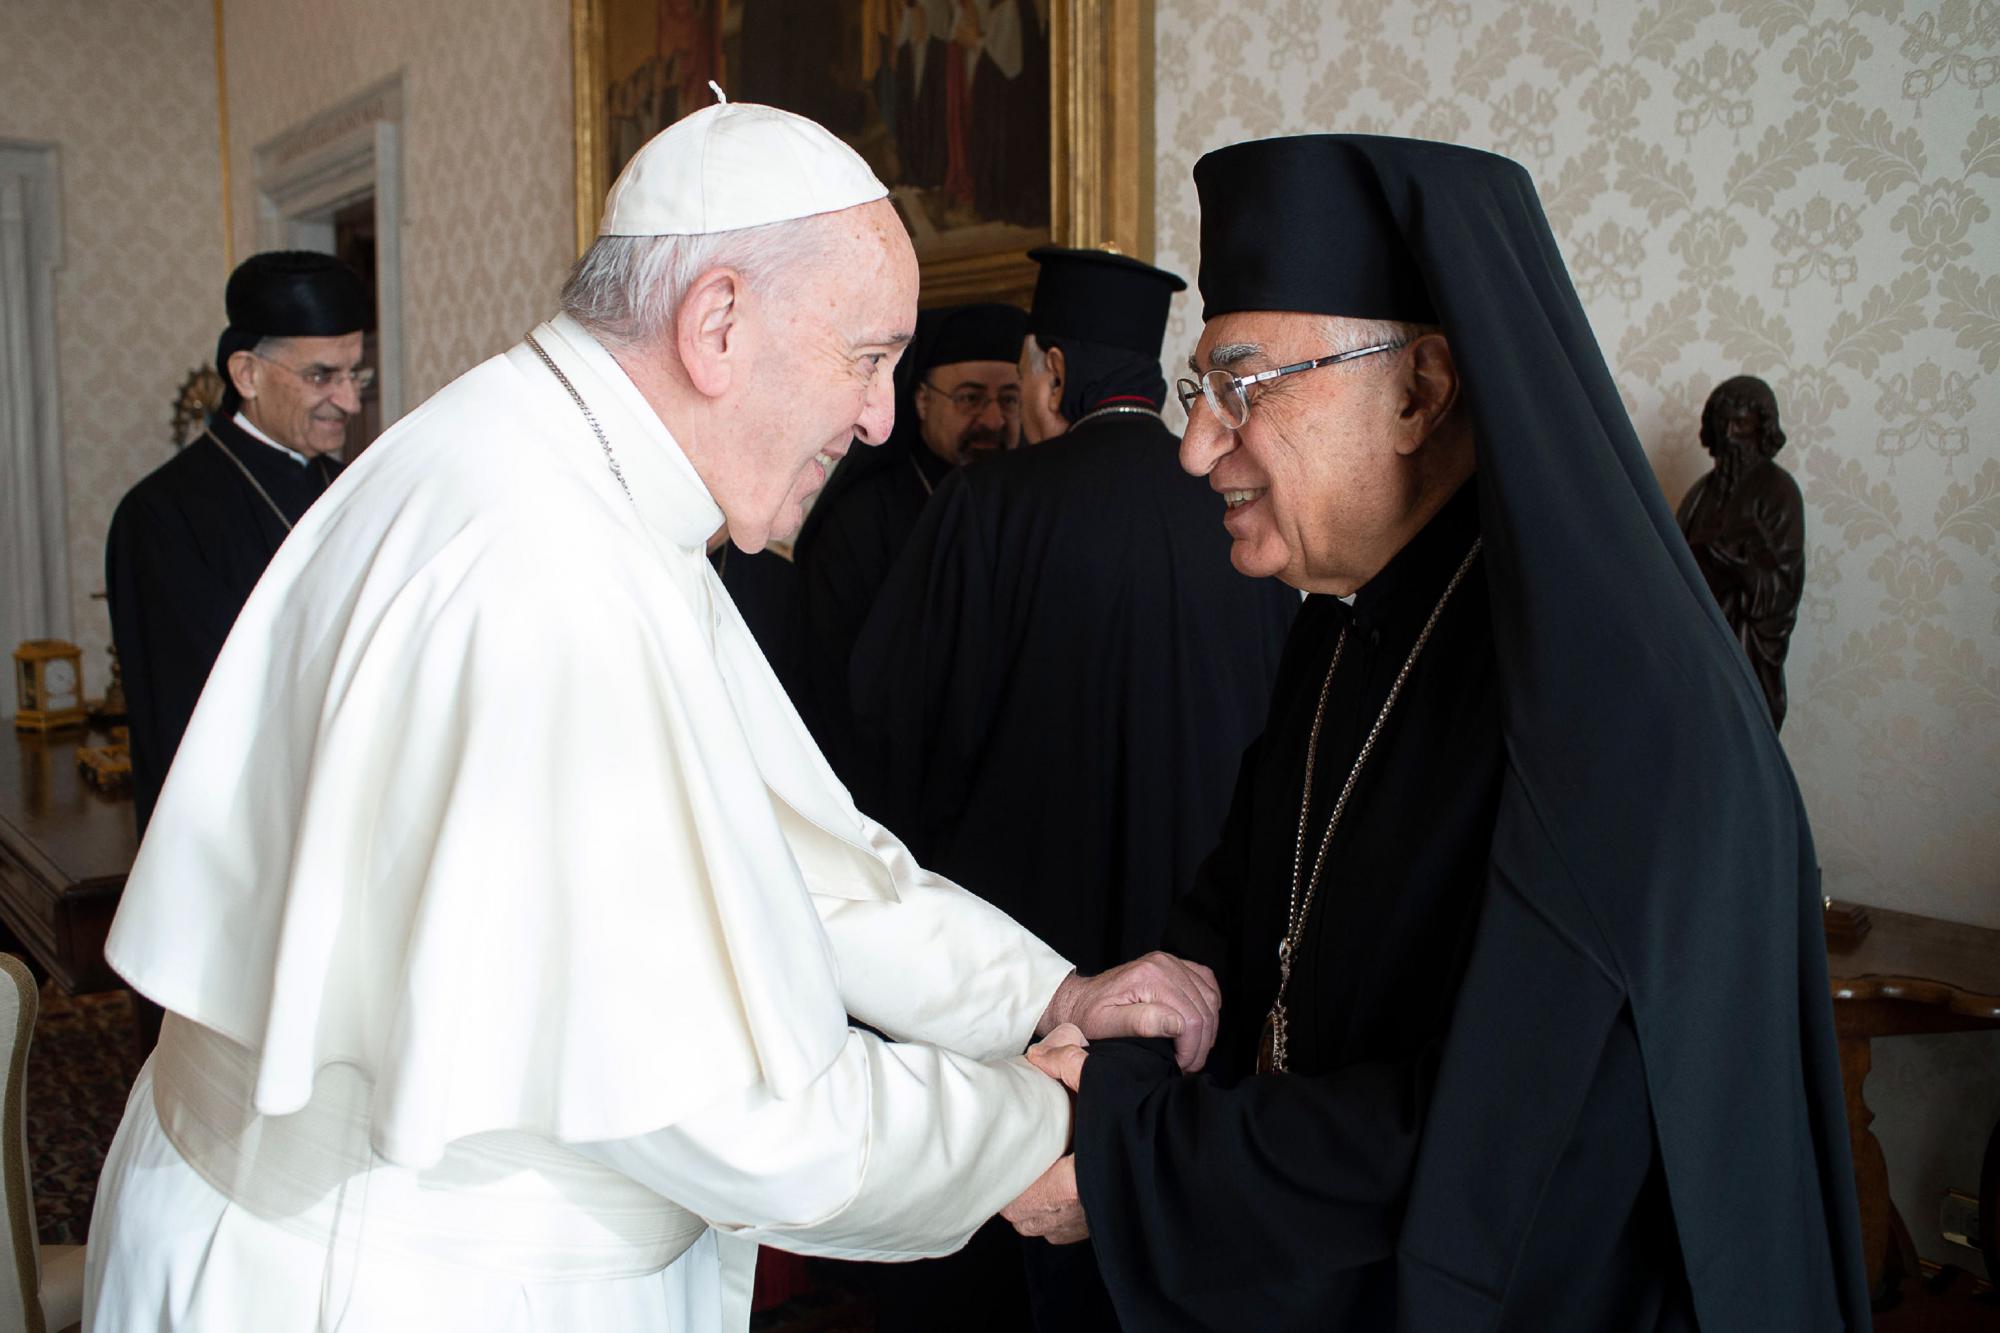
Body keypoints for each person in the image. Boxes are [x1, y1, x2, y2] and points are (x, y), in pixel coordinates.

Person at [85, 100, 1221, 1333]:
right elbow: (737, 1109)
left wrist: (1042, 1000)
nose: (881, 418)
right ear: (717, 322)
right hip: (387, 1277)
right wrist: (1039, 1122)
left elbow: (783, 845)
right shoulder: (548, 563)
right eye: (866, 358)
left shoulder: (569, 474)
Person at [1013, 135, 1867, 1331]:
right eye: (1195, 389)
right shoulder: (1345, 611)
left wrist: (1125, 1149)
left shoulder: (1611, 705)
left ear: (1417, 389)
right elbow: (1232, 913)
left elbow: (1501, 1147)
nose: (1197, 445)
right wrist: (1132, 1050)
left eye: (1240, 387)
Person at [851, 245, 1298, 1331]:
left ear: (1048, 372)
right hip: (1198, 991)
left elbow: (883, 738)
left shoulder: (984, 505)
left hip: (1015, 992)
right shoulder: (1250, 513)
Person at [104, 250, 368, 834]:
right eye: (323, 376)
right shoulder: (160, 518)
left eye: (356, 375)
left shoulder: (355, 489)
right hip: (235, 838)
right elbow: (201, 720)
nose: (349, 400)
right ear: (246, 374)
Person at [788, 300, 1026, 772]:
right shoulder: (859, 521)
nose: (994, 421)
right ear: (921, 399)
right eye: (970, 398)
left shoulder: (1031, 505)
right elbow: (834, 682)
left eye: (1009, 400)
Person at [1676, 374, 1806, 729]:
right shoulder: (1700, 494)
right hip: (1698, 647)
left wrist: (1740, 569)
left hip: (1745, 648)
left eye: (1742, 425)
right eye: (1724, 424)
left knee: (1742, 734)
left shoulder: (1780, 493)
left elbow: (1783, 585)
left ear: (1762, 430)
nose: (1731, 436)